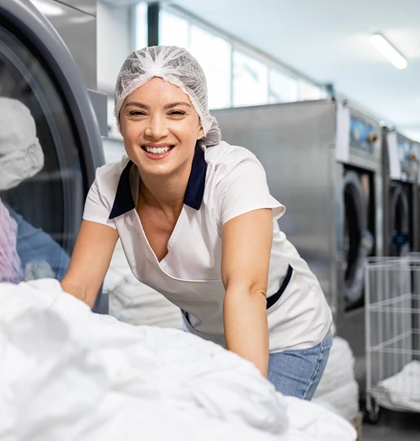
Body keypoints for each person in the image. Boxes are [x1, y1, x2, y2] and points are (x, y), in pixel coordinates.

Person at [61, 46, 333, 400]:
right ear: (120, 121)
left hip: (284, 331)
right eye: (137, 113)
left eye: (176, 112)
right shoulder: (108, 186)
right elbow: (79, 290)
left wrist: (247, 403)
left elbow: (245, 290)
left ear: (201, 122)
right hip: (205, 335)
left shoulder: (233, 175)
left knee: (247, 423)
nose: (155, 130)